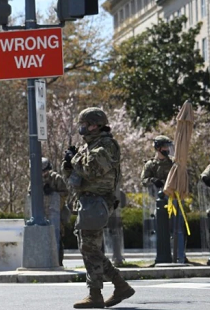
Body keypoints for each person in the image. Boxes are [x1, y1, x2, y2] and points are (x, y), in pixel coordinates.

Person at [62, 107, 135, 308]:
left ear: (95, 125)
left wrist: (75, 160)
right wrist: (68, 163)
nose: (81, 128)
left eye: (84, 124)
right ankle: (119, 285)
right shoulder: (89, 146)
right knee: (88, 247)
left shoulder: (106, 145)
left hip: (98, 201)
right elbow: (74, 179)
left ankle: (97, 293)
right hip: (87, 202)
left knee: (89, 247)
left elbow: (91, 170)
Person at [28, 157, 68, 266]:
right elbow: (30, 195)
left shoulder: (56, 178)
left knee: (56, 239)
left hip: (54, 215)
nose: (43, 174)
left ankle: (58, 263)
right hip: (41, 215)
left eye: (45, 171)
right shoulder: (34, 181)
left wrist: (53, 193)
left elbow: (65, 194)